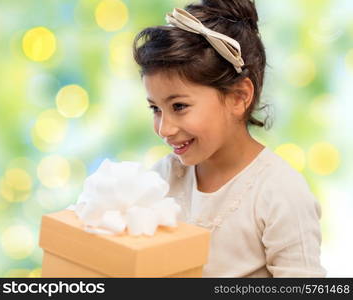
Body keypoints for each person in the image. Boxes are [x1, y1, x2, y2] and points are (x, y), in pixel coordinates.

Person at [132, 0, 325, 277]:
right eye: (155, 109)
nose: (164, 129)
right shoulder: (164, 178)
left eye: (179, 107)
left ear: (238, 97)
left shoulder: (280, 194)